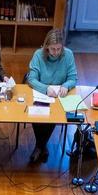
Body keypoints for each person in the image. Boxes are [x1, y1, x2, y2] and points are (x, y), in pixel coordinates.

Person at [26, 28, 77, 164]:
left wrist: (66, 85)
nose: (56, 52)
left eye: (59, 49)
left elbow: (73, 78)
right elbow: (31, 79)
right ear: (46, 46)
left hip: (59, 95)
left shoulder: (68, 55)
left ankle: (39, 147)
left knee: (54, 114)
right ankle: (42, 146)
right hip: (41, 93)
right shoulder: (38, 55)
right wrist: (45, 88)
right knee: (38, 113)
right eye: (53, 49)